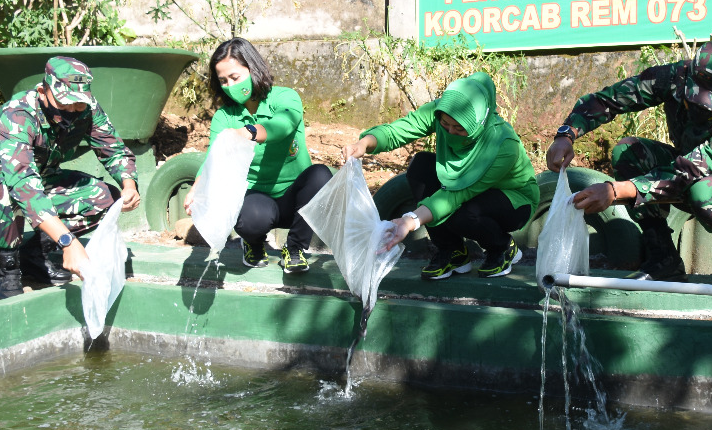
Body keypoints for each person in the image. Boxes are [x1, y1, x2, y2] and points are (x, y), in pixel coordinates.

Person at [546, 38, 712, 288]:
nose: (700, 105)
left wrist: (615, 191)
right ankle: (663, 258)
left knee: (705, 190)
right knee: (628, 152)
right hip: (694, 178)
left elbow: (687, 172)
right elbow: (609, 100)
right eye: (695, 96)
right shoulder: (674, 77)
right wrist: (566, 135)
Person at [0, 56, 141, 300]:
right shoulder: (18, 115)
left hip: (38, 175)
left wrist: (128, 184)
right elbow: (21, 182)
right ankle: (7, 271)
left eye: (77, 104)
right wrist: (68, 242)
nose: (71, 110)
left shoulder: (87, 109)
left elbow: (113, 148)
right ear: (42, 91)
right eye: (64, 103)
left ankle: (33, 254)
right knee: (7, 187)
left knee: (105, 198)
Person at [344, 71, 539, 280]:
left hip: (512, 199)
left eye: (459, 128)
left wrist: (410, 221)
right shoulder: (443, 111)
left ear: (479, 123)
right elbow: (400, 129)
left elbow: (457, 195)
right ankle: (452, 251)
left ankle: (501, 247)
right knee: (421, 166)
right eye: (445, 125)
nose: (450, 133)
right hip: (462, 189)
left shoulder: (502, 144)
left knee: (462, 212)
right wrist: (366, 142)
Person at [182, 37, 331, 273]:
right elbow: (213, 157)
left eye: (235, 77)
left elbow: (282, 126)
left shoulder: (285, 97)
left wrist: (249, 132)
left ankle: (294, 249)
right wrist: (196, 189)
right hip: (257, 200)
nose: (229, 85)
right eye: (223, 81)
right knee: (249, 217)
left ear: (253, 69)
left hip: (295, 198)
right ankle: (252, 244)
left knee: (321, 175)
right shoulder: (225, 117)